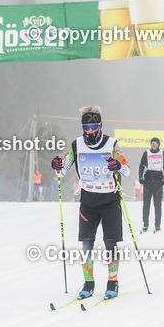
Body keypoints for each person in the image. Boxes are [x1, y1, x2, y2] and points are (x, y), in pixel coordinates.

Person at [51, 105, 131, 299]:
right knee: (87, 243)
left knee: (110, 243)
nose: (90, 132)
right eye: (87, 128)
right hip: (88, 200)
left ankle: (113, 282)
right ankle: (89, 283)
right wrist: (56, 166)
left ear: (100, 126)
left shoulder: (112, 144)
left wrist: (117, 165)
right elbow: (61, 173)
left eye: (94, 127)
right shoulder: (76, 145)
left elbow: (127, 169)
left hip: (110, 199)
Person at [138, 136, 164, 232]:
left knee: (157, 205)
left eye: (155, 143)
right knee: (146, 204)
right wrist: (140, 177)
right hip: (148, 180)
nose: (154, 145)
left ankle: (157, 224)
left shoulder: (163, 153)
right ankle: (145, 224)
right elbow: (141, 166)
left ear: (158, 144)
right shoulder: (146, 153)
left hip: (158, 180)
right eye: (152, 143)